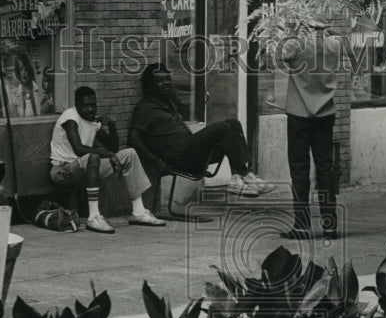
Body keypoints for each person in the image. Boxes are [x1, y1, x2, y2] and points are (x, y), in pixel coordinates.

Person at [129, 63, 275, 197]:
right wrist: (155, 162)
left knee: (233, 124)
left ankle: (238, 177)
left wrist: (172, 96)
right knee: (222, 128)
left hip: (190, 153)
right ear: (149, 86)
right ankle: (244, 174)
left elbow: (179, 104)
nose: (166, 83)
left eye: (168, 79)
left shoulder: (168, 102)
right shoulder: (145, 108)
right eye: (160, 81)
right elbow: (133, 138)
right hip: (176, 158)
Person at [50, 86, 165, 233]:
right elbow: (79, 149)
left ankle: (139, 212)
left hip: (85, 167)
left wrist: (112, 126)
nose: (91, 109)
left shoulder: (92, 121)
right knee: (93, 157)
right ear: (76, 105)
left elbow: (113, 148)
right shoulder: (70, 118)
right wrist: (109, 155)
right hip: (62, 171)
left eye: (93, 105)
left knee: (130, 153)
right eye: (86, 106)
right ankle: (93, 217)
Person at [278, 22, 348, 240]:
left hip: (299, 114)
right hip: (326, 113)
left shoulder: (295, 45)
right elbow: (339, 37)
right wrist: (327, 30)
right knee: (325, 169)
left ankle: (301, 226)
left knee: (299, 171)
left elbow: (279, 54)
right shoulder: (334, 44)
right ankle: (329, 224)